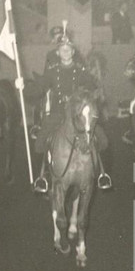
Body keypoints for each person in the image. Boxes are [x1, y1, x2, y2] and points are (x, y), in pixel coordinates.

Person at [31, 32, 109, 193]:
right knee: (40, 142)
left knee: (102, 138)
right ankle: (43, 176)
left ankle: (101, 173)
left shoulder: (80, 71)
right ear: (57, 53)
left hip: (78, 112)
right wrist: (23, 87)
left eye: (68, 49)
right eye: (62, 50)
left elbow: (92, 88)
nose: (65, 52)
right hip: (59, 112)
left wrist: (85, 97)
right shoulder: (52, 71)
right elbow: (39, 88)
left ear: (73, 52)